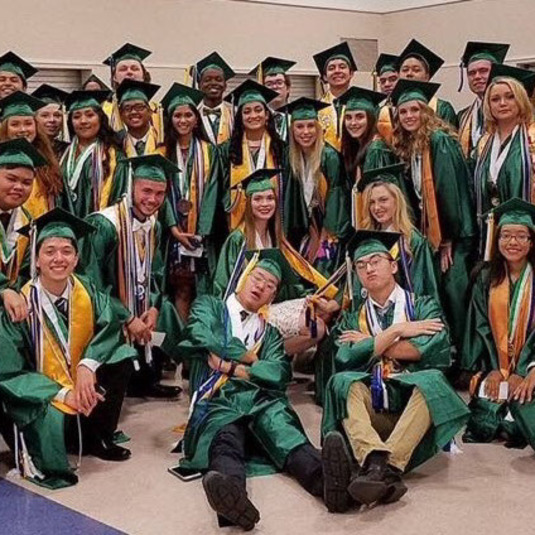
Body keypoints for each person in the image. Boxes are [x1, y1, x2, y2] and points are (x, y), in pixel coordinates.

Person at [177, 251, 350, 530]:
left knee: (286, 435)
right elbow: (204, 335)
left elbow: (279, 372)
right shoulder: (210, 307)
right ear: (244, 277)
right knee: (226, 439)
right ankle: (233, 500)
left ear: (273, 296)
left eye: (270, 285)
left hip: (262, 399)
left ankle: (329, 484)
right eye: (258, 277)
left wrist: (234, 367)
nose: (261, 286)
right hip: (220, 399)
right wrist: (254, 359)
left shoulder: (268, 331)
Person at [321, 230, 469, 509]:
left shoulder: (423, 306)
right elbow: (345, 357)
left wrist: (370, 343)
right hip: (372, 411)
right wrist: (397, 330)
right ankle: (378, 460)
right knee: (342, 382)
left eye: (375, 261)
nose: (368, 269)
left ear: (393, 266)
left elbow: (423, 350)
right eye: (361, 265)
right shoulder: (351, 317)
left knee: (433, 381)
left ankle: (381, 468)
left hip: (412, 414)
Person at [0, 208, 136, 489]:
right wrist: (62, 392)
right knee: (48, 425)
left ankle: (96, 434)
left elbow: (110, 328)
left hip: (80, 379)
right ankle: (59, 439)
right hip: (40, 390)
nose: (59, 259)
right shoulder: (20, 306)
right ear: (36, 260)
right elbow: (11, 372)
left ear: (76, 258)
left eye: (66, 251)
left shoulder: (88, 291)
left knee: (121, 356)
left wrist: (88, 365)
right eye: (49, 251)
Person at [81, 154, 182, 399]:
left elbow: (156, 272)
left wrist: (153, 307)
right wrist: (126, 316)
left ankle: (145, 379)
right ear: (131, 186)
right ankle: (112, 385)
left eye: (160, 193)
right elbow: (91, 283)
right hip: (105, 305)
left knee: (166, 312)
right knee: (113, 324)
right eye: (146, 191)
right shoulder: (105, 225)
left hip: (138, 299)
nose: (153, 199)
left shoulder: (154, 225)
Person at [213, 170, 340, 356]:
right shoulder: (238, 239)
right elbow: (223, 283)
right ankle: (258, 356)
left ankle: (271, 357)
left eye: (270, 198)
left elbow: (287, 284)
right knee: (314, 325)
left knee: (316, 320)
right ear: (248, 202)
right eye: (258, 199)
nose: (265, 204)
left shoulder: (276, 239)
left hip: (270, 308)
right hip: (245, 312)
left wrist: (310, 297)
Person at [391, 79, 477, 349]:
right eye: (403, 112)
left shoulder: (439, 141)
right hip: (436, 231)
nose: (409, 116)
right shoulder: (414, 144)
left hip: (456, 232)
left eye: (415, 110)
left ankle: (464, 356)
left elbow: (450, 190)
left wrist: (448, 238)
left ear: (426, 112)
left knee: (454, 292)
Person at [462, 199, 535, 451]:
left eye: (521, 236)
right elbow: (479, 327)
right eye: (505, 235)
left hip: (531, 368)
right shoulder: (485, 278)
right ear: (497, 239)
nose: (512, 242)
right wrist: (493, 368)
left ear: (531, 241)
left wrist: (524, 371)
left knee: (523, 403)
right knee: (485, 413)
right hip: (495, 365)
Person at [160, 82, 218, 323]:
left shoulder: (210, 151)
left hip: (203, 234)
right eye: (177, 115)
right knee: (180, 288)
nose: (183, 120)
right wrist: (174, 228)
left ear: (196, 119)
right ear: (170, 119)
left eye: (188, 115)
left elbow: (213, 190)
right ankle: (182, 338)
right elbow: (160, 194)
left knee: (202, 287)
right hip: (172, 234)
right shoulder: (162, 152)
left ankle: (201, 335)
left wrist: (201, 232)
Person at [282, 97, 350, 277]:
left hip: (326, 229)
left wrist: (327, 232)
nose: (305, 132)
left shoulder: (329, 156)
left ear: (318, 128)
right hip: (302, 228)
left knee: (323, 271)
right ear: (292, 129)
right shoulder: (290, 157)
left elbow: (337, 195)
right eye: (299, 126)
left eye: (310, 126)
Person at [358, 164, 440, 302]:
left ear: (397, 200)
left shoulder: (413, 240)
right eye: (371, 202)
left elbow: (423, 289)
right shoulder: (367, 239)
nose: (376, 207)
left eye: (383, 200)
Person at [473, 64, 535, 240]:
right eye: (495, 99)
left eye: (510, 97)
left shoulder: (532, 137)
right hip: (490, 229)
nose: (502, 103)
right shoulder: (483, 143)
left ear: (521, 99)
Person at [217, 80, 283, 231]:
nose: (253, 115)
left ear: (267, 115)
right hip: (236, 223)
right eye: (246, 111)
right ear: (240, 117)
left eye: (258, 110)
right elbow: (220, 188)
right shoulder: (226, 150)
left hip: (274, 224)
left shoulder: (280, 148)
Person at [61, 89, 128, 218]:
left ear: (100, 119)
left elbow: (118, 198)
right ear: (70, 122)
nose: (83, 121)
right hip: (65, 226)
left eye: (90, 115)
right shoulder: (61, 154)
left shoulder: (114, 157)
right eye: (76, 116)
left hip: (99, 225)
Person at [336, 86, 397, 229]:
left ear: (370, 119)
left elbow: (380, 198)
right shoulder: (357, 148)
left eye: (360, 117)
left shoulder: (376, 150)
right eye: (348, 117)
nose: (353, 123)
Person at [0, 91, 67, 219]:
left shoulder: (48, 160)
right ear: (5, 128)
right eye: (15, 124)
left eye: (28, 123)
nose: (23, 129)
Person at [0, 139, 46, 320]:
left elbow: (26, 272)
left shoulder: (29, 223)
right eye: (11, 179)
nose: (19, 187)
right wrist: (3, 289)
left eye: (27, 182)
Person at [458, 42, 510, 158]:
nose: (477, 76)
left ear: (496, 72)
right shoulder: (462, 116)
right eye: (472, 73)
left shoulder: (510, 112)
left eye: (483, 70)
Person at [102, 43, 162, 140]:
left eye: (135, 69)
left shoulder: (157, 112)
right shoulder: (103, 111)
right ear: (114, 77)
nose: (129, 72)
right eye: (123, 69)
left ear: (144, 75)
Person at [398, 39, 458, 128]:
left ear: (427, 76)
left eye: (416, 70)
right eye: (405, 70)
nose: (409, 74)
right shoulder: (392, 109)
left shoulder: (442, 108)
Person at [313, 42, 357, 151]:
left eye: (342, 67)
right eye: (331, 68)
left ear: (351, 73)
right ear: (325, 76)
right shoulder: (316, 108)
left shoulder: (363, 104)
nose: (337, 71)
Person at [194, 52, 236, 145]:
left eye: (218, 80)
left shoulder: (235, 115)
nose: (213, 83)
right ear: (199, 86)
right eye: (207, 80)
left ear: (225, 86)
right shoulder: (193, 116)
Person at [250, 56, 296, 141]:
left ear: (288, 88)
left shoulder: (297, 115)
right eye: (269, 84)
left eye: (279, 82)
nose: (275, 87)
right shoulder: (256, 118)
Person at [116, 79, 163, 157]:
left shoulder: (163, 141)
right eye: (127, 108)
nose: (133, 112)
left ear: (150, 111)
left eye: (139, 107)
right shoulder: (116, 144)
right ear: (121, 115)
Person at [32, 84, 70, 158]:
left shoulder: (68, 149)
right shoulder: (30, 148)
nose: (52, 120)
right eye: (45, 115)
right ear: (34, 118)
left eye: (57, 115)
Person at [374, 53, 399, 144]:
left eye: (392, 79)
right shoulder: (378, 112)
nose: (387, 84)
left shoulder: (411, 108)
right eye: (382, 81)